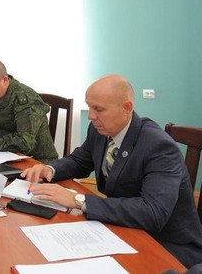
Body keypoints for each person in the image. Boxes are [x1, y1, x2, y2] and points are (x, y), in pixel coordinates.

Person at [22, 75, 202, 268]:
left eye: (98, 109)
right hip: (124, 228)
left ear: (127, 108)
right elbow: (80, 160)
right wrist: (49, 169)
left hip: (166, 244)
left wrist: (78, 200)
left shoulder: (159, 146)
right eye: (89, 107)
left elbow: (153, 212)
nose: (91, 116)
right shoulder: (100, 129)